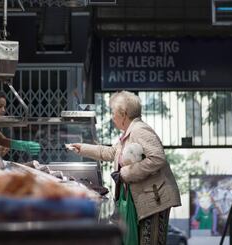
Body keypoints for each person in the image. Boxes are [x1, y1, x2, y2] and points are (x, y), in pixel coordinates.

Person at [70, 91, 181, 245]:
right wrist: (82, 148)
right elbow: (109, 152)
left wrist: (126, 173)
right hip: (147, 199)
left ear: (124, 114)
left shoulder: (140, 130)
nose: (112, 117)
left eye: (113, 113)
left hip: (154, 199)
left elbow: (157, 158)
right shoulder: (128, 134)